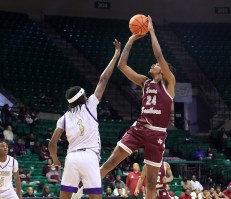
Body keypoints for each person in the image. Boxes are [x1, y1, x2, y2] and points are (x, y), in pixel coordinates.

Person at [100, 16, 176, 199]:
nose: (154, 64)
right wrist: (131, 40)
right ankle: (82, 190)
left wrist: (151, 31)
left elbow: (159, 55)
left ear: (165, 71)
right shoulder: (145, 82)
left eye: (157, 65)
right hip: (139, 128)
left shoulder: (169, 83)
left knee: (151, 184)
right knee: (110, 162)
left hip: (157, 134)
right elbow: (122, 66)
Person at [49, 39, 121, 199]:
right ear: (82, 97)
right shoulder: (90, 105)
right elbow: (103, 80)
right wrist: (115, 56)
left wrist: (55, 160)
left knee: (65, 196)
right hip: (89, 156)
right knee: (95, 196)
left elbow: (52, 143)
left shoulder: (64, 117)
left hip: (72, 157)